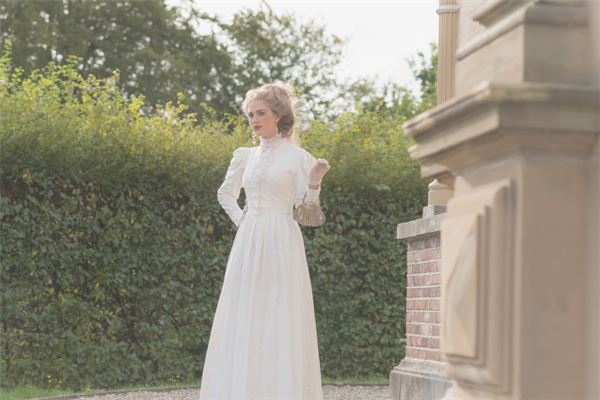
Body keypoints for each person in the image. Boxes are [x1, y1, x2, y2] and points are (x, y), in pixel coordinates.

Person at [198, 82, 331, 400]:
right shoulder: (245, 156)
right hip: (249, 240)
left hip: (282, 240)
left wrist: (314, 182)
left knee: (280, 312)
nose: (254, 120)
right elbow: (225, 193)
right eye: (250, 115)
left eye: (261, 113)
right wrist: (242, 219)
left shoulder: (298, 158)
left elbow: (308, 214)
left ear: (278, 115)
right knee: (246, 311)